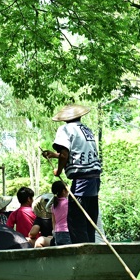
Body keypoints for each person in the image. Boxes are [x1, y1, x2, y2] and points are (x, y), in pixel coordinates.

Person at [42, 104, 101, 244]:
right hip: (94, 179)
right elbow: (75, 153)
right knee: (89, 218)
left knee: (76, 219)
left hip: (81, 179)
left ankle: (82, 250)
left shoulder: (65, 129)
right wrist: (54, 155)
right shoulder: (86, 129)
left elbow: (65, 154)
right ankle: (90, 246)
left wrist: (59, 170)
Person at [49, 180, 71, 246]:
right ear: (64, 191)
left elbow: (53, 221)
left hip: (57, 232)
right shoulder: (68, 203)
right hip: (67, 232)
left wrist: (54, 232)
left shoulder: (54, 205)